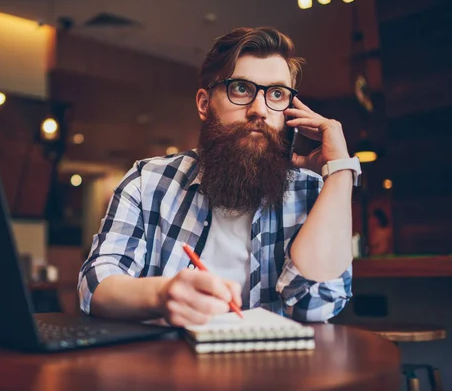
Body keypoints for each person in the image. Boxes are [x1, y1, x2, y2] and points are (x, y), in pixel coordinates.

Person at [78, 27, 355, 326]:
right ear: (204, 103)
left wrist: (340, 170)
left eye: (277, 94)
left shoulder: (314, 192)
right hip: (168, 366)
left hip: (277, 369)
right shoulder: (149, 181)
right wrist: (161, 295)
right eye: (241, 89)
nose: (259, 110)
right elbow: (94, 287)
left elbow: (314, 306)